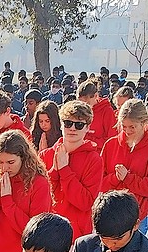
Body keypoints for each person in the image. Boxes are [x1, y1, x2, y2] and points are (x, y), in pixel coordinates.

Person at [42, 99, 105, 240]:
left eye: (79, 125)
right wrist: (54, 171)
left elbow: (86, 202)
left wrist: (64, 170)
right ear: (61, 125)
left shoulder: (94, 159)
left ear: (87, 127)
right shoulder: (45, 155)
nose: (72, 128)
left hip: (76, 237)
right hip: (46, 232)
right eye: (68, 123)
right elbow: (40, 196)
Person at [98, 98, 148, 221]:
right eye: (123, 126)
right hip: (110, 214)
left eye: (132, 127)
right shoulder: (110, 144)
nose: (127, 131)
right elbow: (98, 183)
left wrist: (128, 178)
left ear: (144, 123)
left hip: (138, 217)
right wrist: (115, 178)